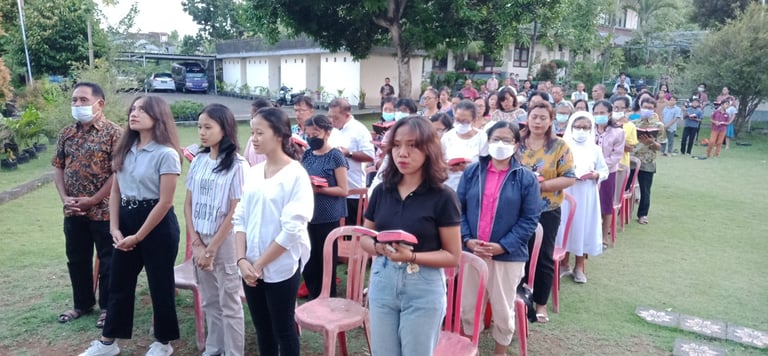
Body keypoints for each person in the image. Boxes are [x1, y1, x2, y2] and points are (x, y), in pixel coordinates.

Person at [80, 95, 182, 356]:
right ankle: (108, 342)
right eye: (133, 109)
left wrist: (138, 236)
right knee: (119, 282)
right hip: (126, 218)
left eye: (142, 110)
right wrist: (115, 228)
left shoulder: (166, 154)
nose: (134, 114)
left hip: (156, 223)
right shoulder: (125, 149)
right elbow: (116, 191)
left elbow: (166, 202)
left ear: (157, 116)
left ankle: (163, 342)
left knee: (160, 283)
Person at [360, 116, 462, 356]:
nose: (402, 153)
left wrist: (412, 256)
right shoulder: (382, 190)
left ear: (429, 149)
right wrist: (379, 248)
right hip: (383, 281)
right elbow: (365, 237)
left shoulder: (443, 197)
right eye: (396, 145)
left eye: (412, 145)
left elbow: (452, 256)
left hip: (423, 286)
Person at [456, 121, 541, 356]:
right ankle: (470, 347)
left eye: (506, 140)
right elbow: (458, 209)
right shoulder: (473, 172)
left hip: (507, 255)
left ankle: (500, 351)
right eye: (496, 139)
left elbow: (529, 219)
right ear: (487, 141)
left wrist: (503, 246)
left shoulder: (525, 178)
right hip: (473, 252)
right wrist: (467, 240)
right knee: (468, 307)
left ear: (516, 145)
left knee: (503, 309)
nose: (500, 144)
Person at [234, 107, 312, 356]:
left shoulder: (296, 175)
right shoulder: (254, 173)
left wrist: (258, 265)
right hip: (249, 267)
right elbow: (240, 217)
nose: (254, 138)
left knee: (284, 329)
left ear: (279, 135)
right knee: (262, 329)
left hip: (280, 268)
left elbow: (292, 230)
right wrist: (242, 260)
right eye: (252, 132)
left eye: (260, 133)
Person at [53, 82, 122, 328]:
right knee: (77, 258)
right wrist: (65, 199)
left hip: (103, 210)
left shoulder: (115, 133)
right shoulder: (66, 134)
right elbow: (58, 166)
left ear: (99, 103)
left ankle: (107, 308)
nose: (78, 105)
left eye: (83, 100)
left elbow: (118, 174)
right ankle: (82, 303)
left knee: (108, 260)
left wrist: (93, 200)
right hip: (72, 210)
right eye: (74, 100)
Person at [184, 104, 247, 356]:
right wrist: (197, 245)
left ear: (225, 128)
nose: (202, 132)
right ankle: (213, 348)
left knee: (229, 302)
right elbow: (188, 204)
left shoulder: (238, 165)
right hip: (200, 238)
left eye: (208, 127)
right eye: (199, 127)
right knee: (209, 300)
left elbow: (235, 212)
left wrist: (211, 249)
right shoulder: (198, 160)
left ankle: (233, 352)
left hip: (225, 241)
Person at [518, 101, 575, 323]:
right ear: (528, 118)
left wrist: (540, 185)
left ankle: (541, 304)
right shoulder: (517, 142)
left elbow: (569, 177)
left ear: (551, 120)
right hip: (517, 209)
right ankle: (519, 300)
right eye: (534, 117)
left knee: (543, 257)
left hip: (546, 209)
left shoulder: (559, 146)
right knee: (517, 253)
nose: (538, 121)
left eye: (543, 117)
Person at [300, 115, 349, 299]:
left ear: (327, 133)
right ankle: (313, 293)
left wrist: (320, 190)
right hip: (309, 214)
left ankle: (328, 295)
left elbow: (343, 189)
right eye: (308, 134)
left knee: (326, 258)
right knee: (309, 258)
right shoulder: (307, 154)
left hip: (328, 215)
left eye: (316, 134)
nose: (312, 137)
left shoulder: (335, 156)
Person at [557, 112, 608, 283]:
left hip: (586, 193)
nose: (581, 131)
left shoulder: (595, 149)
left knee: (582, 226)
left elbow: (604, 170)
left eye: (585, 128)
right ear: (571, 128)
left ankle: (579, 266)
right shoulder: (562, 146)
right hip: (566, 191)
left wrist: (595, 174)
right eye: (578, 127)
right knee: (565, 225)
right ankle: (564, 262)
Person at [328, 98, 375, 226]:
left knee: (351, 235)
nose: (332, 121)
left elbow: (370, 156)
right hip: (333, 190)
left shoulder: (359, 130)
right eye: (330, 117)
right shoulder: (331, 130)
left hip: (353, 192)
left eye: (335, 118)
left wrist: (349, 154)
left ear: (347, 115)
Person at [592, 100, 625, 247]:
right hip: (589, 173)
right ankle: (591, 235)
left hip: (608, 173)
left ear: (609, 114)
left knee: (606, 204)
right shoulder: (588, 130)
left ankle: (604, 237)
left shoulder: (618, 132)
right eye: (596, 113)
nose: (599, 116)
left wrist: (601, 166)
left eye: (602, 113)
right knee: (591, 204)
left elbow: (617, 155)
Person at [441, 100, 489, 191]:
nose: (460, 124)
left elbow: (486, 166)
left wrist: (466, 169)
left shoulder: (482, 137)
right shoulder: (447, 137)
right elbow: (439, 161)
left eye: (465, 121)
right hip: (449, 185)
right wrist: (447, 166)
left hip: (473, 187)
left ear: (474, 120)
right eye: (457, 120)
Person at [633, 98, 667, 225]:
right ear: (640, 107)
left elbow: (660, 146)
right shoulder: (634, 123)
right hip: (632, 158)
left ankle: (642, 214)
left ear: (654, 109)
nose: (647, 110)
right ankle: (621, 210)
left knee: (645, 189)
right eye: (644, 107)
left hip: (648, 160)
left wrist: (652, 142)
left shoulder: (659, 126)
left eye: (650, 108)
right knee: (625, 187)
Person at [243, 97, 273, 166]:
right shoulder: (252, 139)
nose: (251, 119)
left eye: (252, 116)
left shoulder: (274, 142)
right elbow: (246, 160)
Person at [612, 97, 638, 169]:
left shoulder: (631, 126)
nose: (617, 110)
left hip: (621, 165)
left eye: (621, 108)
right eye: (615, 107)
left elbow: (630, 148)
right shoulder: (607, 123)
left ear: (627, 109)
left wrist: (619, 140)